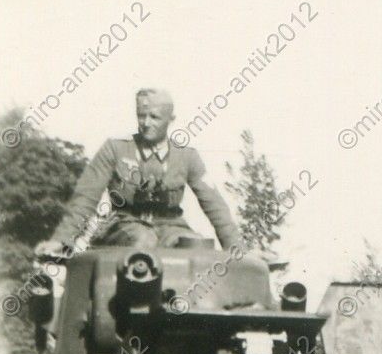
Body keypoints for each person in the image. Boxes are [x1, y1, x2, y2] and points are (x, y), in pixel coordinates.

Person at [35, 88, 241, 259]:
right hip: (124, 224)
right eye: (141, 116)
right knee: (143, 241)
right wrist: (61, 240)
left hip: (170, 226)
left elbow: (214, 204)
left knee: (196, 248)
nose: (146, 122)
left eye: (154, 117)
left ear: (171, 119)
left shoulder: (186, 156)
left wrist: (237, 248)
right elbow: (85, 198)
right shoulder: (115, 149)